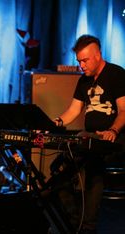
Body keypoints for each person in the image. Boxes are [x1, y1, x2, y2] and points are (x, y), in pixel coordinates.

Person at [53, 35, 125, 233]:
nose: (81, 65)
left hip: (114, 137)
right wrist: (56, 122)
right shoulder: (83, 81)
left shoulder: (116, 74)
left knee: (93, 167)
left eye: (85, 60)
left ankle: (87, 227)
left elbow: (124, 110)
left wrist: (113, 130)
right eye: (79, 61)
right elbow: (73, 110)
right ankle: (75, 220)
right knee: (58, 166)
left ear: (98, 55)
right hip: (91, 137)